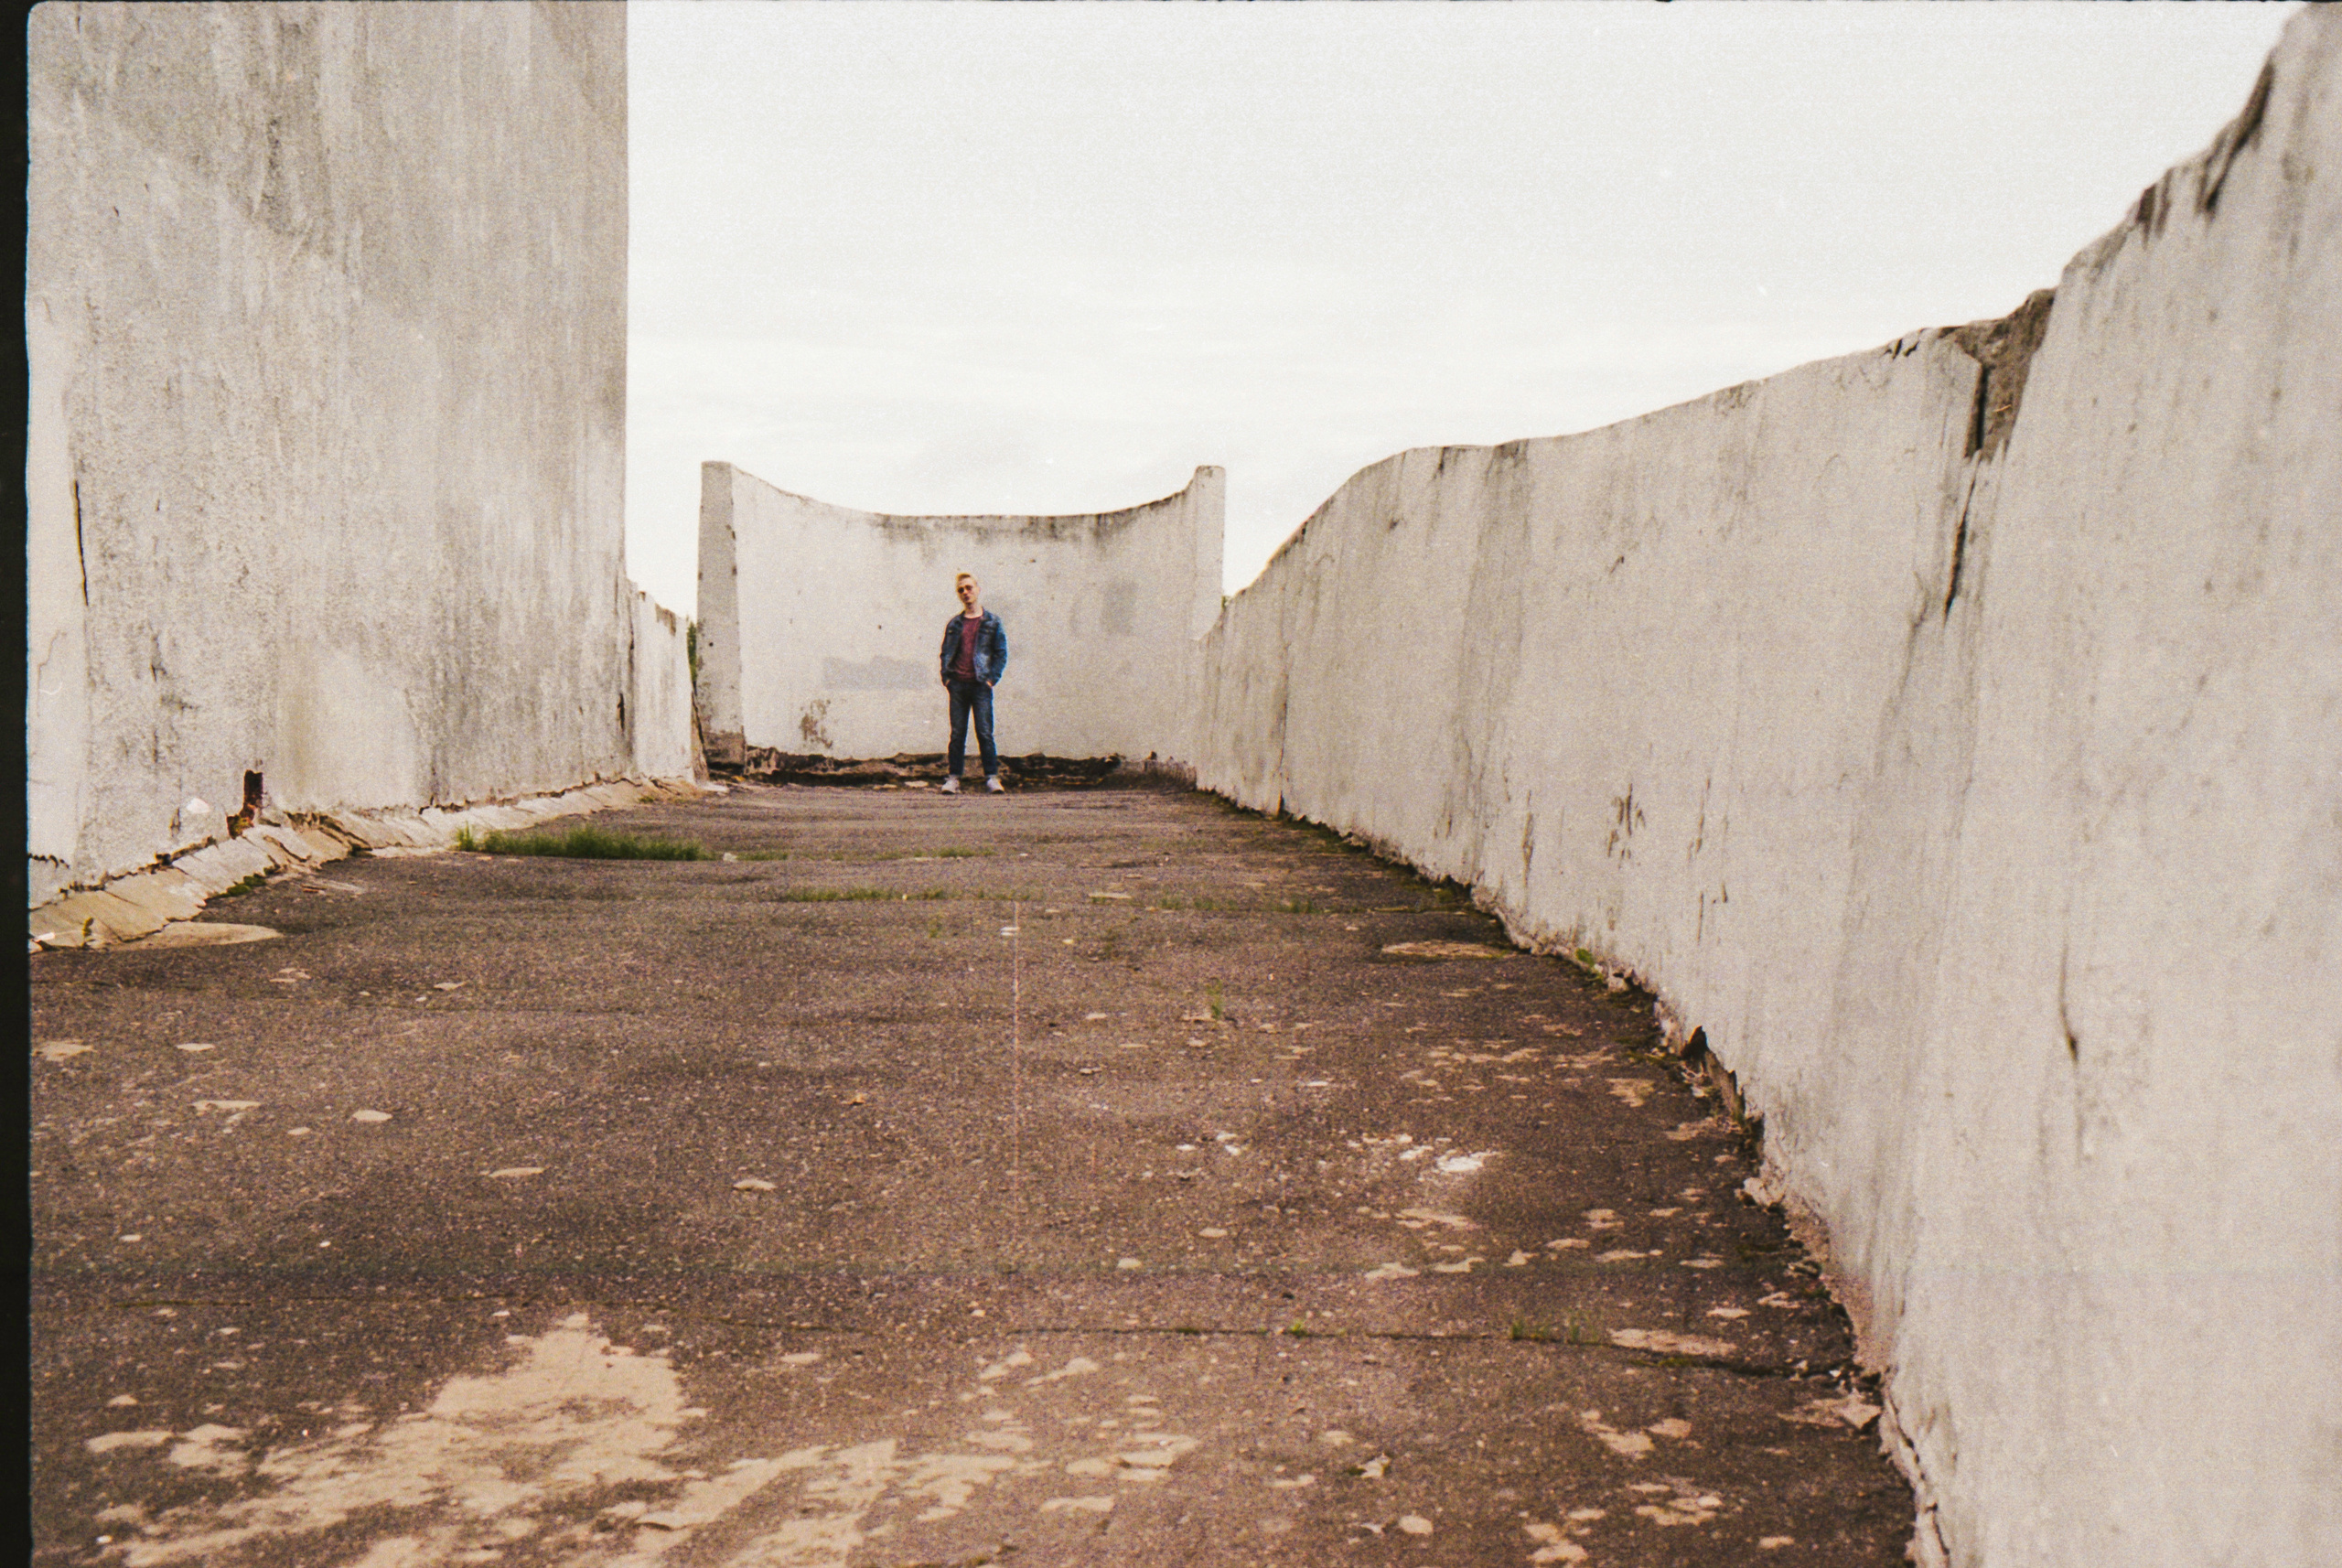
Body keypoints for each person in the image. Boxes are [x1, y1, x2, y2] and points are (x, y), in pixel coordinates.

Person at [938, 571, 1007, 794]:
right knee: (957, 734)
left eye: (969, 588)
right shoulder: (954, 624)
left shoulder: (992, 622)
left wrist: (991, 680)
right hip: (958, 686)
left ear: (977, 589)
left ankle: (992, 778)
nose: (965, 593)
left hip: (980, 686)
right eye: (961, 590)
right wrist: (947, 678)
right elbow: (945, 652)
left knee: (985, 733)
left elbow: (1001, 653)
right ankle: (953, 779)